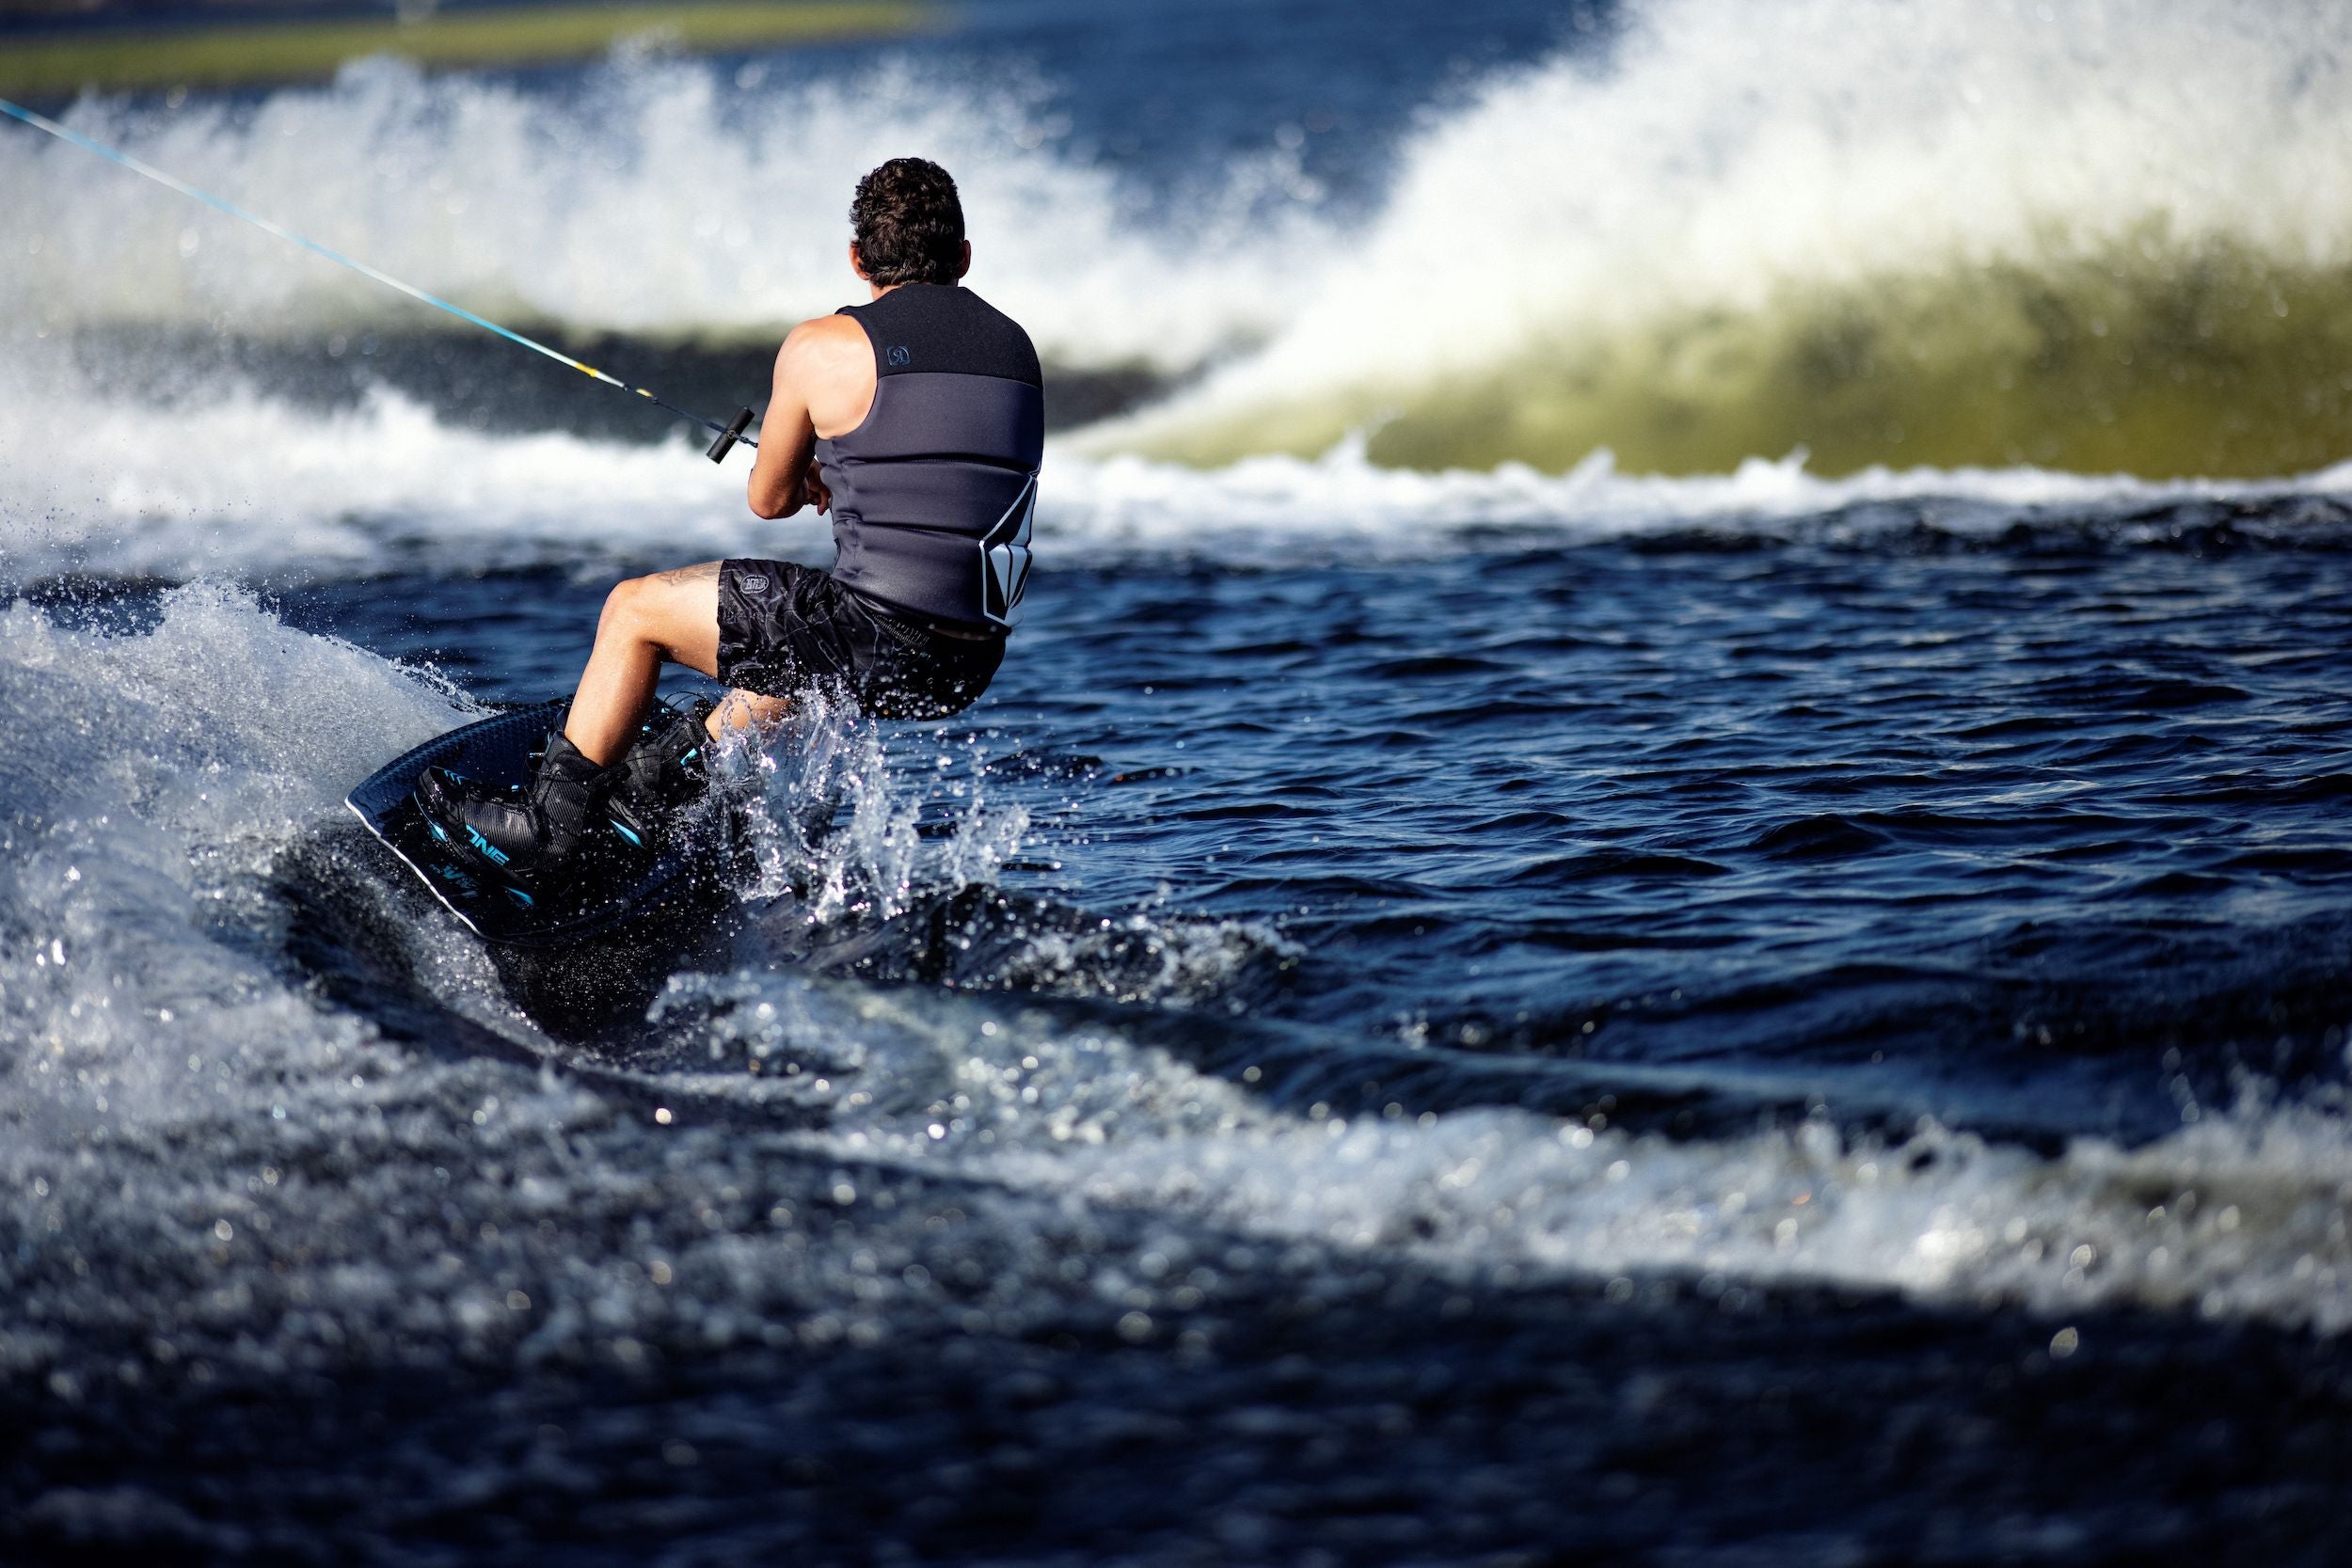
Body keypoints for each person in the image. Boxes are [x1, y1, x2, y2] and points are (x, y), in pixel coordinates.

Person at [415, 157, 1041, 886]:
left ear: (857, 258)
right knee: (794, 666)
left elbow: (768, 499)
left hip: (879, 633)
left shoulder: (823, 346)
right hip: (967, 660)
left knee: (634, 610)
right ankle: (653, 794)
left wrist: (811, 473)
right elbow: (953, 481)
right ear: (963, 256)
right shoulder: (1017, 351)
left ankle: (549, 829)